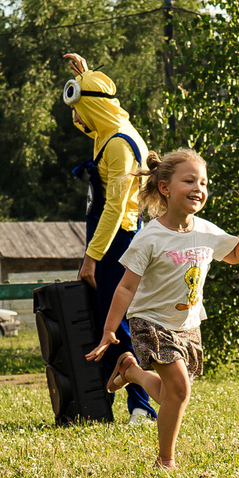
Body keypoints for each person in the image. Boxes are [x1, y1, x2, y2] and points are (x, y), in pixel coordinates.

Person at [83, 149, 239, 470]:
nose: (199, 187)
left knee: (172, 393)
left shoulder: (206, 231)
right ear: (165, 188)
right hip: (151, 322)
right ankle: (165, 460)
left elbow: (236, 254)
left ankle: (131, 372)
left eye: (203, 182)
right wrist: (110, 329)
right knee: (180, 391)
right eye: (189, 180)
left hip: (188, 324)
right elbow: (126, 287)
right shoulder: (149, 238)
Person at [60, 52, 155, 422]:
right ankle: (106, 403)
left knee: (119, 325)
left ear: (93, 107)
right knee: (109, 322)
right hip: (112, 242)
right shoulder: (109, 131)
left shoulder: (117, 143)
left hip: (117, 244)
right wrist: (87, 77)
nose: (76, 119)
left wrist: (91, 256)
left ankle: (143, 408)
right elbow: (93, 113)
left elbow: (114, 209)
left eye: (79, 107)